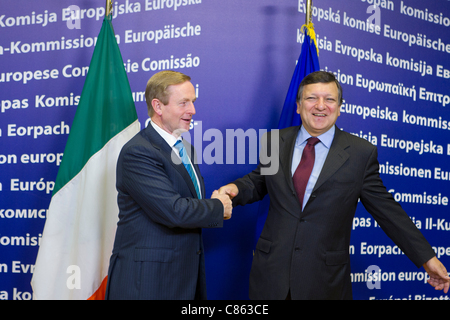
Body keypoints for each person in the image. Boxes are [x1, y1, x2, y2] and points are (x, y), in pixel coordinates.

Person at [219, 71, 449, 300]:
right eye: (311, 98)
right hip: (270, 276)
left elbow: (388, 211)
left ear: (339, 108)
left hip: (324, 282)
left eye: (329, 99)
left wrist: (427, 258)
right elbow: (259, 182)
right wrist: (235, 190)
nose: (321, 106)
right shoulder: (274, 141)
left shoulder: (361, 153)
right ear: (298, 106)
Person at [105, 70, 232, 300]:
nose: (192, 110)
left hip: (183, 278)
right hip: (148, 283)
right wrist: (217, 207)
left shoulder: (185, 149)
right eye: (183, 103)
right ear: (158, 106)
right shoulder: (138, 151)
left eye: (193, 102)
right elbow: (175, 211)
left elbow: (189, 204)